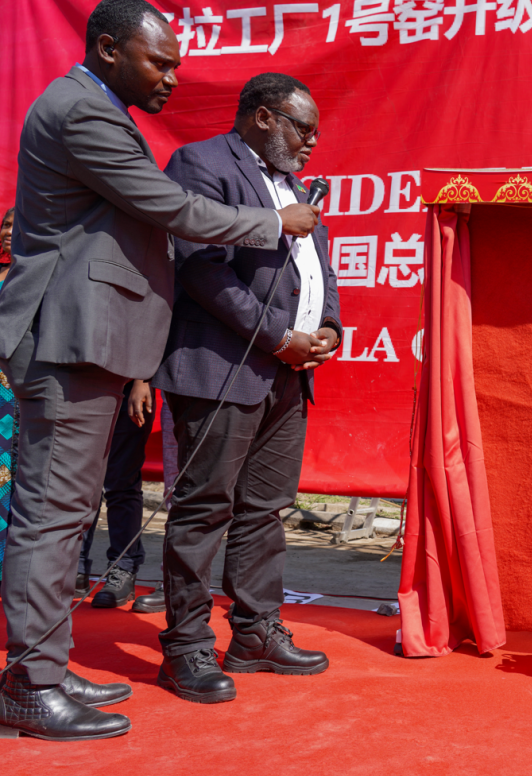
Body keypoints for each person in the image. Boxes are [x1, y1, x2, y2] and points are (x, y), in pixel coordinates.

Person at [0, 0, 320, 742]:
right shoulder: (81, 110)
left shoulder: (98, 110)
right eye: (161, 62)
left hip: (90, 342)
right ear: (109, 48)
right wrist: (272, 222)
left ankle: (44, 666)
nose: (173, 77)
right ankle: (30, 686)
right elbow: (168, 206)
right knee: (52, 516)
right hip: (67, 338)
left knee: (67, 513)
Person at [152, 72, 341, 705]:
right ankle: (185, 646)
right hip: (220, 369)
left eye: (315, 132)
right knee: (205, 507)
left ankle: (256, 633)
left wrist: (328, 327)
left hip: (288, 375)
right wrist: (278, 336)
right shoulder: (202, 164)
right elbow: (201, 266)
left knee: (266, 508)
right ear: (264, 117)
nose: (311, 141)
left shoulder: (294, 185)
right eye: (303, 128)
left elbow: (318, 266)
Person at [73, 379, 156, 608]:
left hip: (130, 385)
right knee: (81, 483)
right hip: (86, 382)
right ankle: (76, 567)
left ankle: (123, 568)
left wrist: (142, 381)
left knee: (121, 481)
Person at [0, 207, 16, 580]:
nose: (9, 232)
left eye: (17, 225)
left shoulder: (41, 277)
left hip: (17, 393)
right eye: (5, 225)